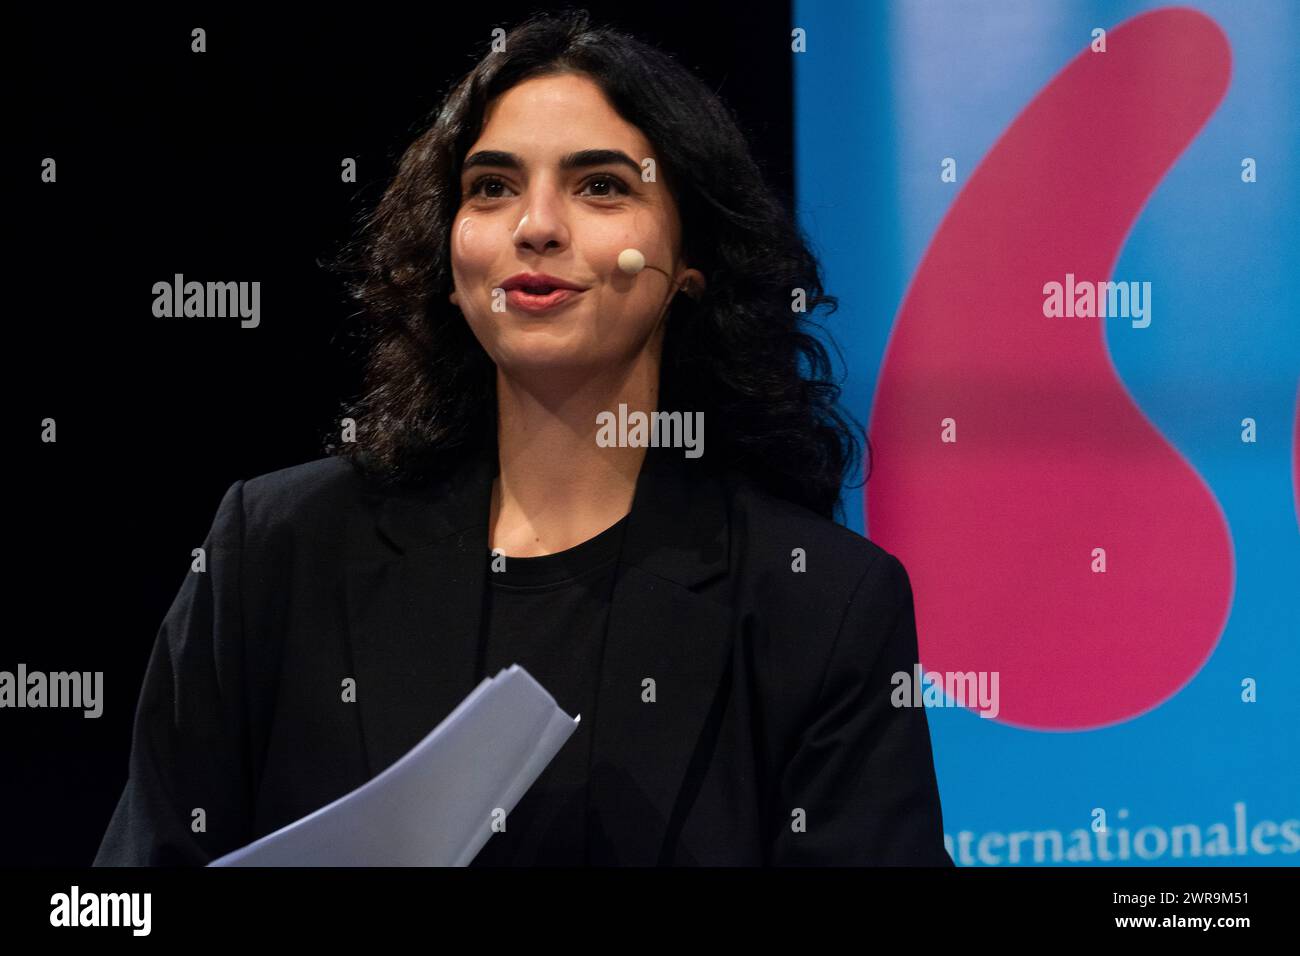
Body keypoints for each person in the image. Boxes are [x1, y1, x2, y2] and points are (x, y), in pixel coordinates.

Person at [94, 8, 951, 867]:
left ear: (691, 258)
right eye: (492, 187)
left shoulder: (822, 603)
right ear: (450, 254)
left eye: (602, 186)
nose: (535, 226)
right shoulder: (276, 549)